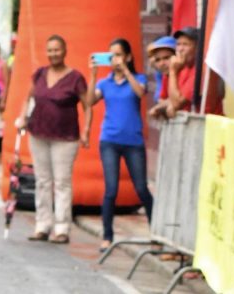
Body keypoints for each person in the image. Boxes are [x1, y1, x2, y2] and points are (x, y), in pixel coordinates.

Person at [14, 34, 91, 244]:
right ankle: (42, 225)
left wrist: (86, 130)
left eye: (57, 50)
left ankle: (62, 228)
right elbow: (28, 98)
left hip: (65, 138)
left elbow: (87, 105)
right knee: (43, 181)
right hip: (38, 133)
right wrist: (22, 118)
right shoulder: (39, 74)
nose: (53, 54)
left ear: (65, 51)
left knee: (62, 182)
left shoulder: (75, 77)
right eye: (50, 50)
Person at [87, 38, 154, 252]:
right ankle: (107, 236)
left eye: (118, 54)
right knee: (111, 189)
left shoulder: (138, 78)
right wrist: (94, 74)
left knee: (142, 188)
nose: (115, 59)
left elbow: (140, 92)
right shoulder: (104, 83)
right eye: (111, 55)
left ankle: (156, 231)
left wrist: (125, 71)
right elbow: (89, 101)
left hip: (133, 141)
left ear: (128, 57)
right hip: (109, 140)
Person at [163, 27, 224, 116]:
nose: (180, 49)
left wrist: (172, 72)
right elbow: (173, 98)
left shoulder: (203, 70)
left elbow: (177, 103)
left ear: (198, 48)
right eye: (178, 44)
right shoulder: (182, 68)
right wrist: (161, 107)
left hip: (207, 124)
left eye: (185, 44)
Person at [146, 36, 177, 119]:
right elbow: (160, 98)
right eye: (158, 60)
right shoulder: (164, 74)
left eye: (166, 58)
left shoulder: (185, 72)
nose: (161, 63)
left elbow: (179, 100)